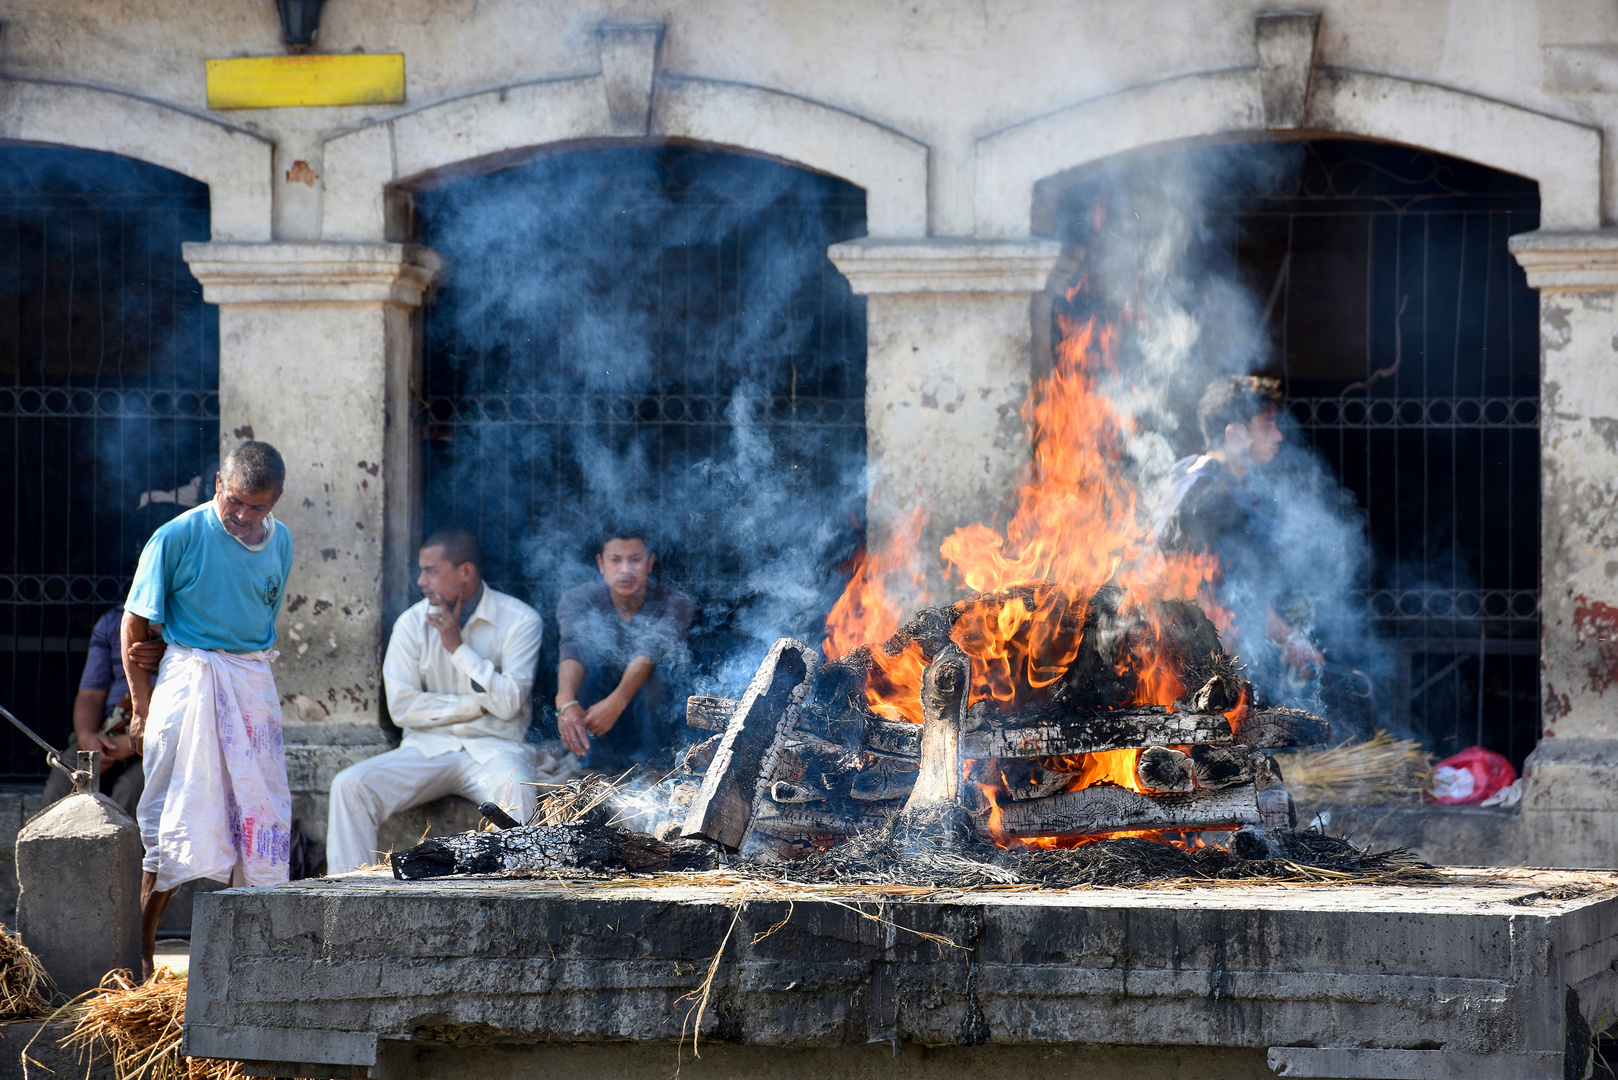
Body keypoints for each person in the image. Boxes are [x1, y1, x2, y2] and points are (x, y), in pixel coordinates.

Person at [124, 440, 295, 979]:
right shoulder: (175, 536)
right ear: (219, 485)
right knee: (171, 819)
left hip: (251, 685)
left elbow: (257, 621)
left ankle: (248, 959)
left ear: (276, 502)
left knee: (258, 817)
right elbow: (134, 628)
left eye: (258, 507)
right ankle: (143, 952)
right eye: (236, 502)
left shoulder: (282, 541)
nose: (244, 516)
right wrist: (141, 709)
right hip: (188, 682)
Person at [325, 527, 545, 874]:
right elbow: (401, 708)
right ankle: (350, 892)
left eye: (431, 570)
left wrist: (457, 647)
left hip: (495, 749)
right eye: (420, 569)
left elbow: (507, 705)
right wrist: (476, 704)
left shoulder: (520, 620)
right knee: (349, 786)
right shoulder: (411, 623)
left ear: (466, 572)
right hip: (426, 749)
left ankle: (518, 894)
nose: (421, 581)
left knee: (518, 790)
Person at [1163, 374, 1323, 678]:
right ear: (1235, 435)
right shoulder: (1212, 497)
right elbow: (1218, 595)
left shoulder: (1190, 475)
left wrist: (1288, 642)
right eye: (1266, 426)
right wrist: (1290, 641)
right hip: (1200, 670)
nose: (1278, 436)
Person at [555, 527, 695, 774]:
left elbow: (649, 651)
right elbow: (573, 646)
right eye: (615, 560)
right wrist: (565, 701)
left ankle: (656, 769)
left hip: (653, 719)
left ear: (650, 563)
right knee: (588, 668)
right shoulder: (577, 599)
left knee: (662, 673)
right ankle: (595, 770)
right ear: (600, 563)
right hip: (599, 717)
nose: (625, 570)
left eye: (635, 560)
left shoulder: (675, 602)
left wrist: (617, 701)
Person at [40, 606, 164, 818]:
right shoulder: (112, 622)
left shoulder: (191, 625)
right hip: (108, 730)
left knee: (131, 793)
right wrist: (87, 736)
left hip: (163, 736)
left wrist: (133, 742)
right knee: (63, 786)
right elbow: (91, 694)